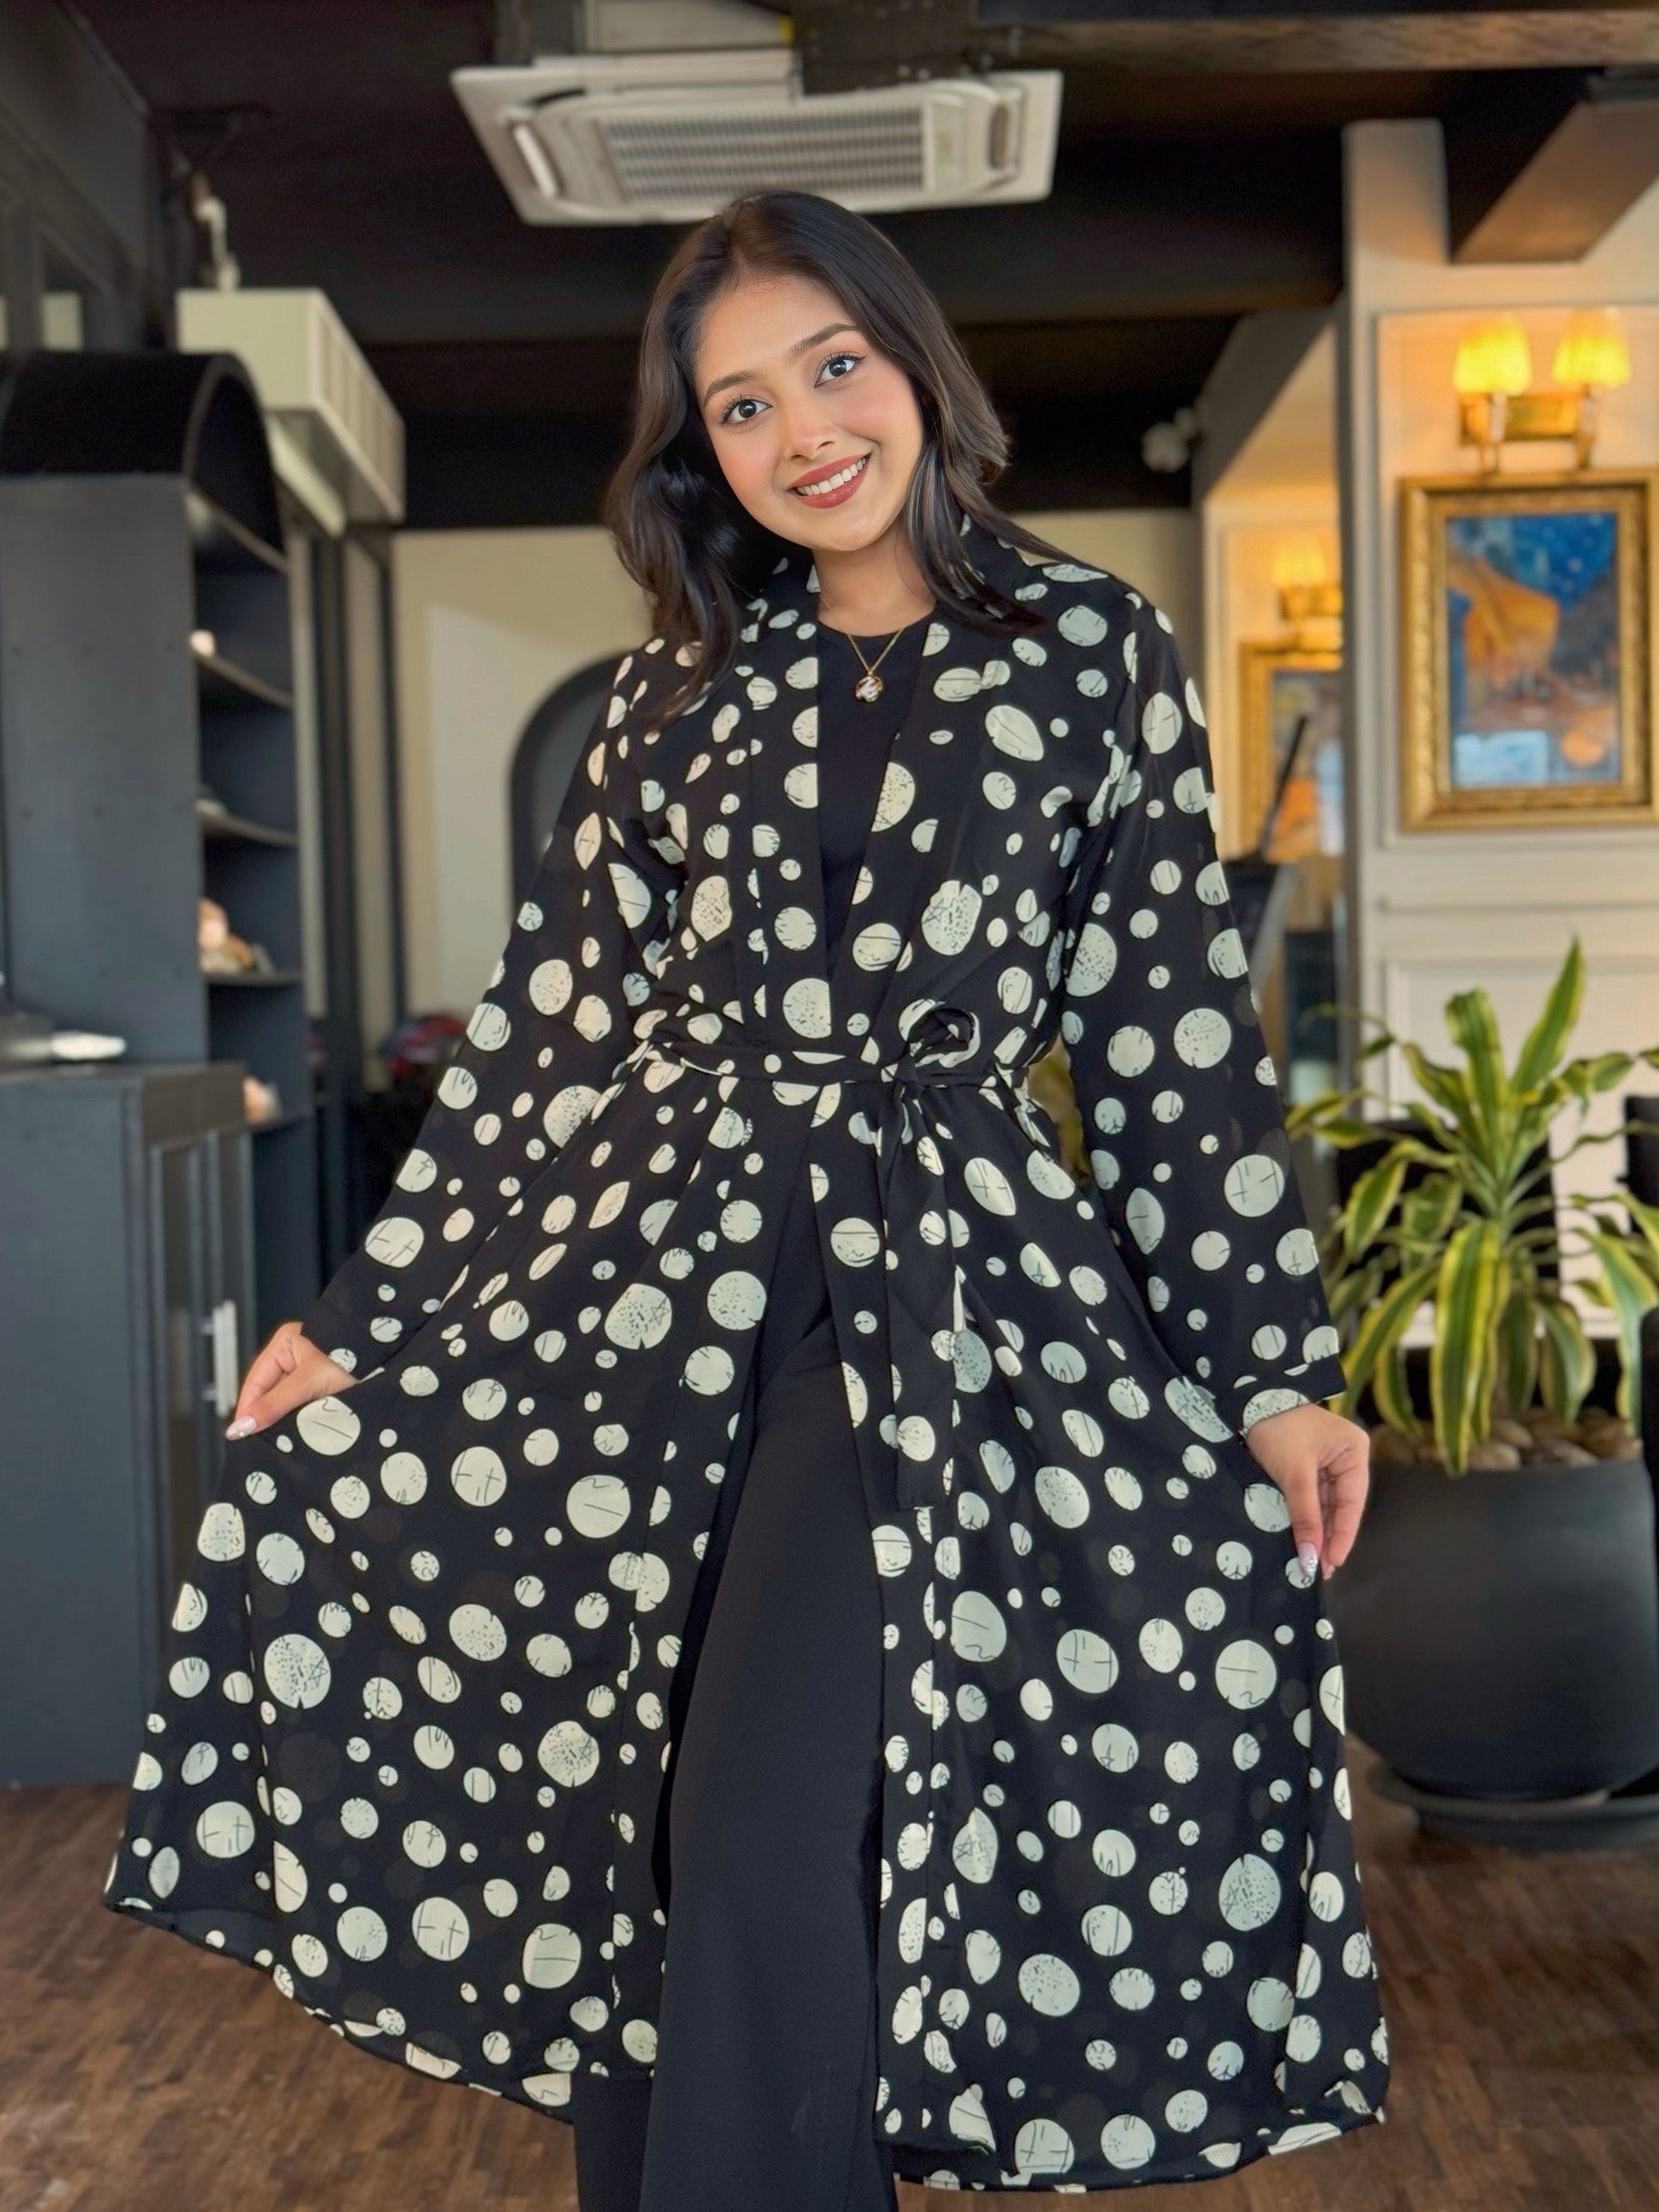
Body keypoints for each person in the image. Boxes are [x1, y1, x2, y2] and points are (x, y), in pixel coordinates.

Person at [102, 192, 1388, 2203]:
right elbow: (539, 1048)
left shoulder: (1086, 647)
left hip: (940, 1299)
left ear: (911, 362)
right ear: (695, 449)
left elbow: (1165, 1037)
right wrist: (356, 1320)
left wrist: (1270, 1370)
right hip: (649, 1288)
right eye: (738, 406)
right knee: (654, 1829)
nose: (801, 434)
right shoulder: (669, 696)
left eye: (832, 368)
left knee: (768, 1822)